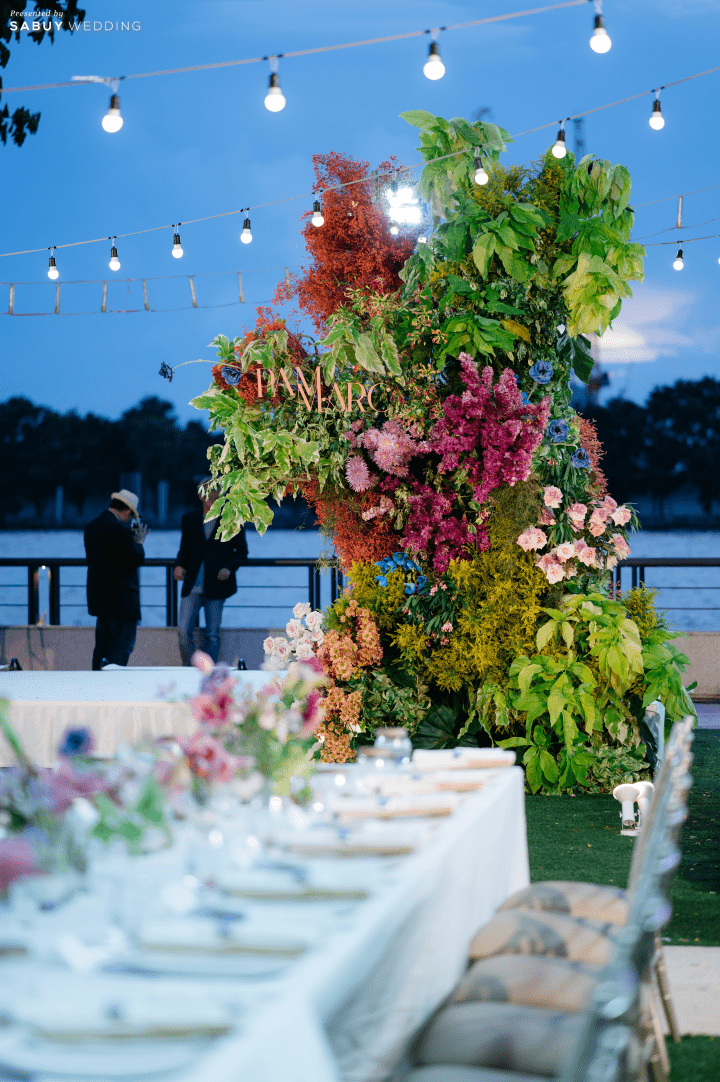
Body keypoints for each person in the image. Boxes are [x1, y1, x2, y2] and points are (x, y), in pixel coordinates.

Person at [174, 482, 248, 665]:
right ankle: (191, 668)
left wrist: (228, 568)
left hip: (217, 584)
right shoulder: (189, 519)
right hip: (192, 583)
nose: (213, 499)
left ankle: (207, 673)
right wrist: (178, 565)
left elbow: (242, 552)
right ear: (201, 497)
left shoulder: (232, 519)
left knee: (213, 635)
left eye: (216, 495)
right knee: (183, 631)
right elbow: (184, 550)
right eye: (209, 495)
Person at [84, 489, 148, 670]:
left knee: (102, 646)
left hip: (100, 598)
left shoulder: (92, 527)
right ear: (127, 511)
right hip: (123, 600)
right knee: (120, 649)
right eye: (131, 516)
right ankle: (112, 687)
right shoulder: (121, 530)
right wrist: (139, 543)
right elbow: (135, 559)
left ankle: (96, 684)